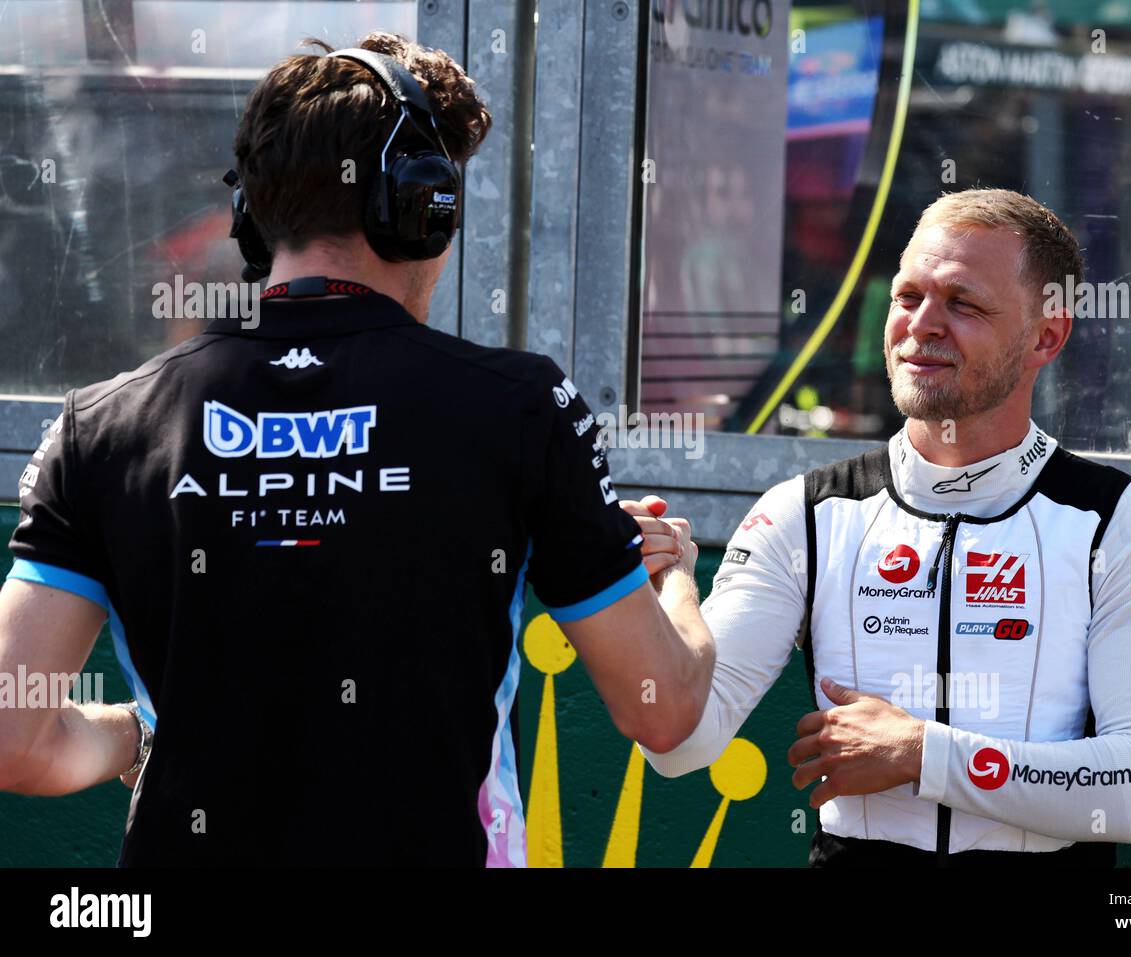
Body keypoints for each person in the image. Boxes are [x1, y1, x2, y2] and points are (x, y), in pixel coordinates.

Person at [0, 32, 713, 867]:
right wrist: (674, 582)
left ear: (251, 215)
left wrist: (141, 730)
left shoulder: (102, 424)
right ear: (425, 207)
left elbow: (17, 741)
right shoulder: (519, 409)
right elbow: (662, 709)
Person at [624, 189, 1131, 867]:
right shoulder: (803, 513)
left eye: (964, 304)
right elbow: (678, 743)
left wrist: (922, 753)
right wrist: (668, 592)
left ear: (1046, 335)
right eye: (907, 297)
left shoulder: (1124, 521)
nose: (922, 325)